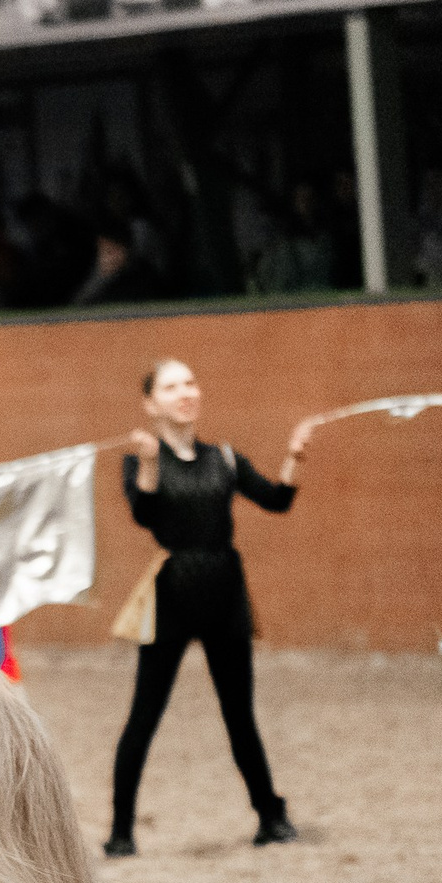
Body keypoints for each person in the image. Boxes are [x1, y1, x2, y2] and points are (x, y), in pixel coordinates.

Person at [104, 360, 313, 857]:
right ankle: (120, 832)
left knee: (240, 714)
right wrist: (151, 464)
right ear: (151, 405)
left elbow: (277, 501)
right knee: (144, 715)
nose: (186, 392)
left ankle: (271, 817)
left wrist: (294, 457)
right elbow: (145, 516)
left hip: (224, 590)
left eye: (191, 382)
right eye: (172, 386)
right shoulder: (140, 460)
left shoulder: (224, 458)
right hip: (174, 591)